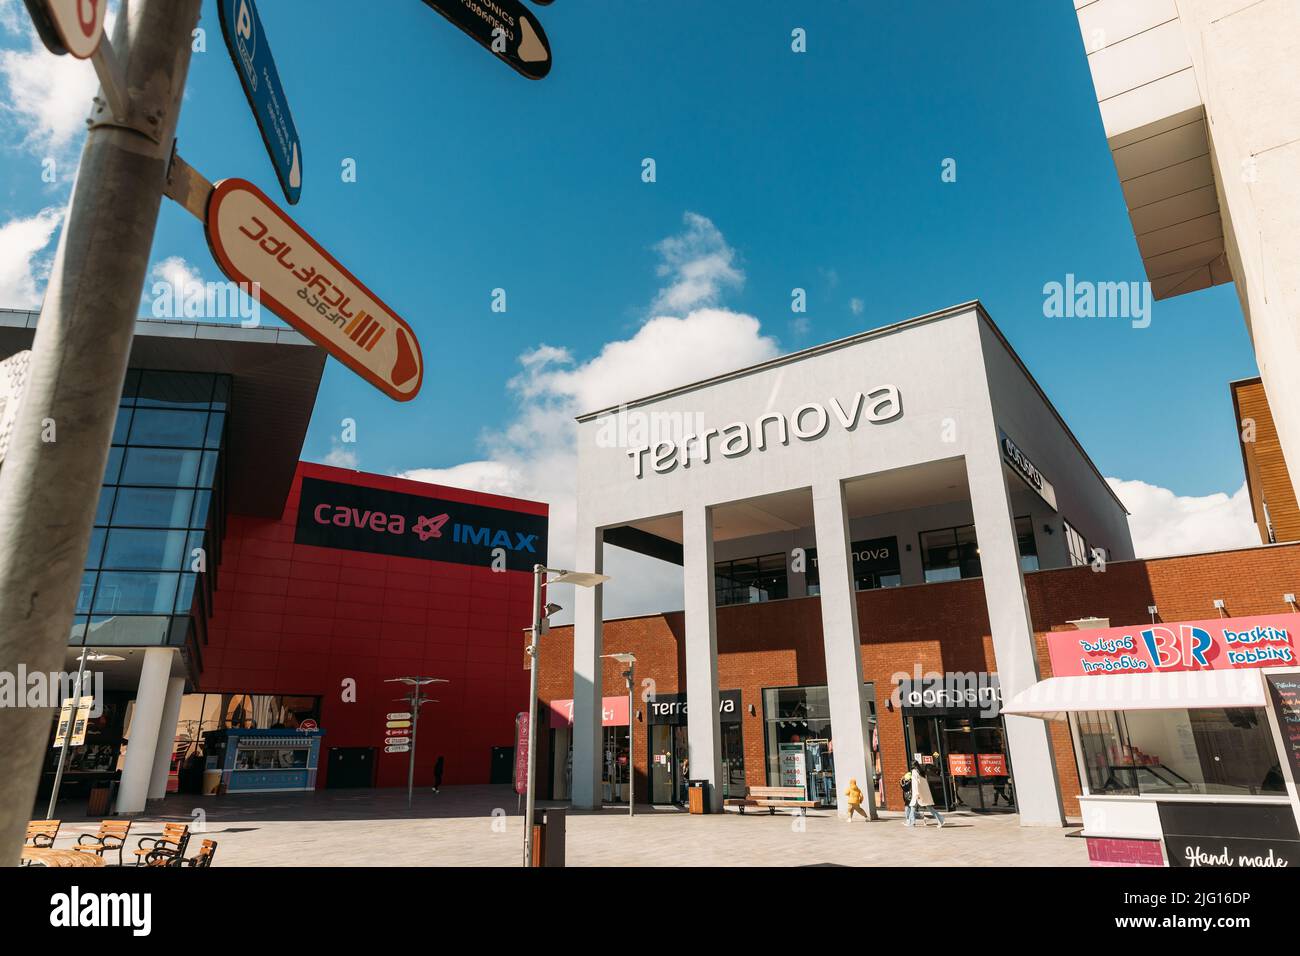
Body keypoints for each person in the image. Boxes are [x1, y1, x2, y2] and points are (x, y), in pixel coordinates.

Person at [909, 759, 944, 828]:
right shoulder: (922, 772)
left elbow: (915, 784)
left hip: (918, 793)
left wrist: (916, 794)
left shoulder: (914, 772)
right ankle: (911, 822)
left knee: (915, 807)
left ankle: (940, 819)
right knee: (914, 807)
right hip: (924, 793)